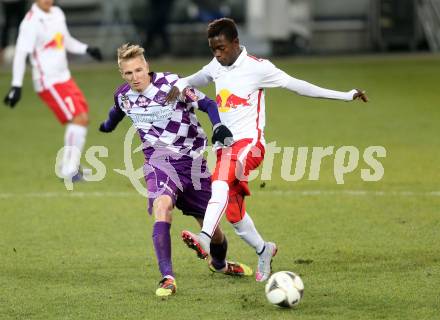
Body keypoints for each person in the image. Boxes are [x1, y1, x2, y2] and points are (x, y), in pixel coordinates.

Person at [165, 17, 369, 282]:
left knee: (219, 180)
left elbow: (300, 87)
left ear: (236, 43)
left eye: (222, 48)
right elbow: (189, 80)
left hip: (250, 144)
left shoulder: (259, 68)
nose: (217, 54)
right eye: (213, 49)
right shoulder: (216, 65)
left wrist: (345, 94)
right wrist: (178, 86)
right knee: (234, 213)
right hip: (224, 146)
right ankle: (265, 250)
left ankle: (204, 238)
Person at [99, 43, 252, 297]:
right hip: (158, 163)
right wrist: (107, 125)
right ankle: (167, 277)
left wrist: (217, 127)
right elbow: (116, 112)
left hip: (192, 164)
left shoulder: (172, 85)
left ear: (147, 67)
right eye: (128, 73)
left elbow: (209, 105)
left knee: (214, 233)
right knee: (162, 207)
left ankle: (220, 264)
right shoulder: (124, 95)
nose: (135, 77)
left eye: (138, 70)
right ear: (122, 75)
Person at [3, 0, 103, 181]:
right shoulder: (31, 21)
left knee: (83, 117)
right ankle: (68, 171)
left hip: (64, 77)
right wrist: (16, 85)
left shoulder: (57, 13)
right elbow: (20, 53)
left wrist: (86, 49)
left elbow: (66, 41)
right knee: (78, 119)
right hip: (48, 81)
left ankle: (71, 165)